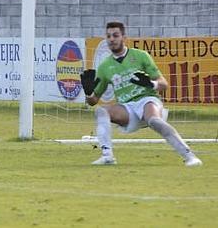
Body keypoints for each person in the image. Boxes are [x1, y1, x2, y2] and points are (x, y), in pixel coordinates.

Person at [80, 21, 203, 167]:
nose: (112, 39)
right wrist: (88, 93)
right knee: (101, 111)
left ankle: (190, 156)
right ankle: (107, 156)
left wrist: (151, 84)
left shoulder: (141, 56)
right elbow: (94, 101)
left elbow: (164, 84)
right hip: (127, 108)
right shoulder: (104, 67)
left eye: (115, 35)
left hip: (147, 100)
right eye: (108, 36)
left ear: (124, 38)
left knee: (154, 121)